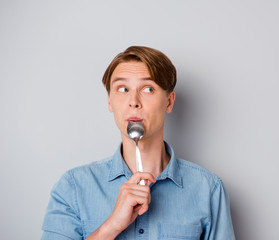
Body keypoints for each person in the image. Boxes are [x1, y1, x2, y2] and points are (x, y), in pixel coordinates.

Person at [41, 46, 235, 239]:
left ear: (169, 102)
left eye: (148, 89)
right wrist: (112, 226)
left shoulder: (208, 190)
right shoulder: (73, 187)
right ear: (110, 101)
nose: (133, 101)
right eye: (123, 89)